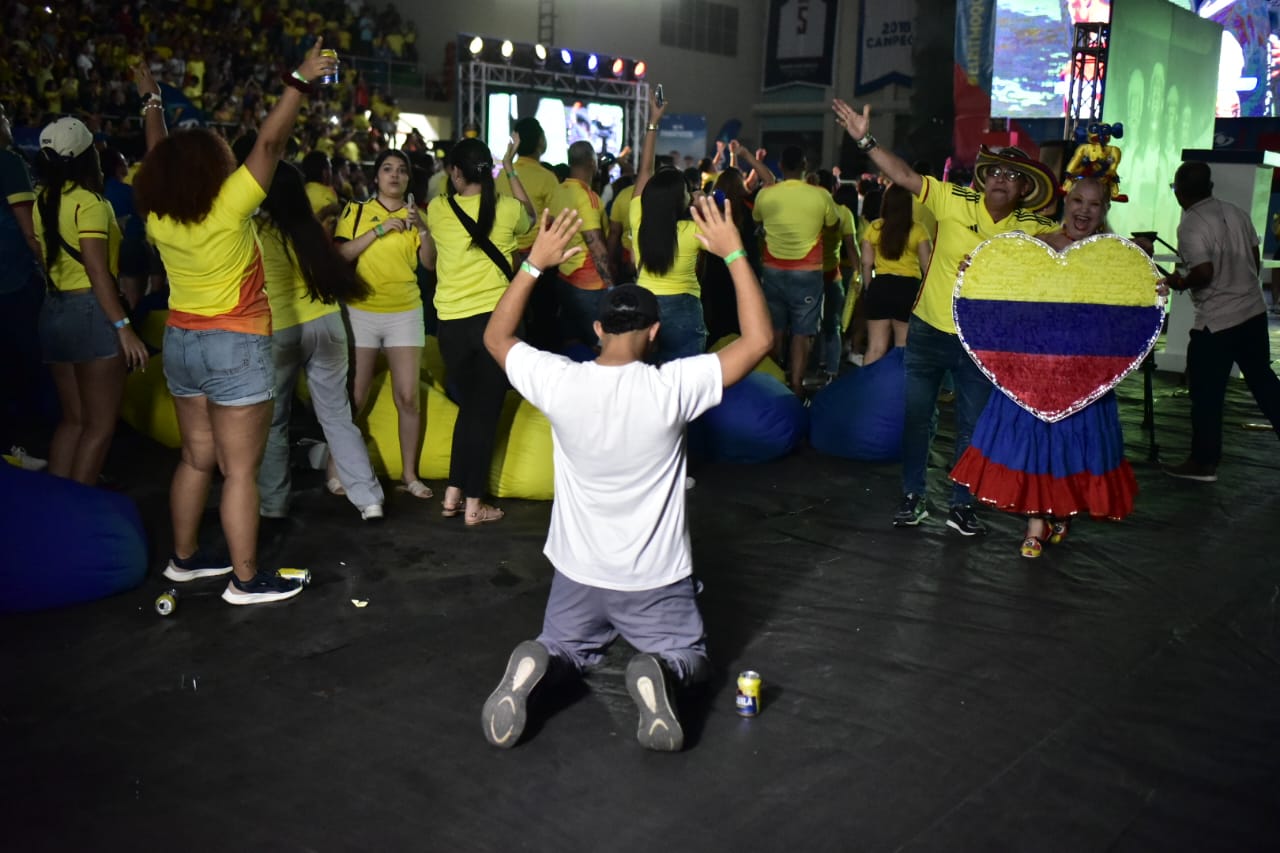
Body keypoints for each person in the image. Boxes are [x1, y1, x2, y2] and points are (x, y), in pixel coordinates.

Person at [479, 196, 773, 752]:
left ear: (598, 329)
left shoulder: (560, 381)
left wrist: (533, 264)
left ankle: (541, 658)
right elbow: (759, 341)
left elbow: (496, 338)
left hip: (578, 575)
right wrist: (734, 254)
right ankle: (659, 670)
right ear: (654, 333)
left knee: (566, 649)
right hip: (654, 581)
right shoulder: (671, 387)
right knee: (691, 659)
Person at [132, 43, 333, 605]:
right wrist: (298, 80)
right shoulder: (230, 206)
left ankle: (184, 560)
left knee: (196, 457)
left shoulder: (157, 215)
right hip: (235, 346)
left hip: (180, 343)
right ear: (210, 169)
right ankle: (246, 581)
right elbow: (270, 142)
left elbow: (156, 155)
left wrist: (152, 101)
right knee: (240, 471)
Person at [833, 98, 1058, 535]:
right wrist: (865, 138)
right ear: (983, 177)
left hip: (981, 342)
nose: (1000, 179)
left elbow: (1072, 249)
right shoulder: (955, 199)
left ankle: (961, 504)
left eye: (1012, 176)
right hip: (928, 330)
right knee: (918, 419)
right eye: (994, 171)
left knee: (972, 426)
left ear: (1025, 189)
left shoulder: (1031, 227)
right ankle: (913, 496)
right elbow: (902, 175)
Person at [950, 177, 1152, 557]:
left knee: (1071, 447)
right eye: (1078, 200)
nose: (1084, 210)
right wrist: (976, 272)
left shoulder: (1117, 256)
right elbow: (1002, 288)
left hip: (1082, 374)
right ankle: (1036, 522)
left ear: (1105, 210)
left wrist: (1148, 287)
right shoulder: (1037, 245)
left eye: (1094, 204)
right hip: (1033, 370)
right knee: (1036, 444)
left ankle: (1061, 511)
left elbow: (1126, 317)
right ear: (1066, 202)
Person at [255, 161, 384, 522]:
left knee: (275, 422)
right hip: (328, 325)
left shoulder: (257, 229)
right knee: (339, 417)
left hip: (281, 329)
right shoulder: (309, 228)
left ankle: (273, 504)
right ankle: (369, 499)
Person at [421, 136, 534, 525]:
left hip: (449, 326)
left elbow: (431, 260)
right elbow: (531, 217)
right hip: (493, 327)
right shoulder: (506, 209)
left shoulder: (437, 209)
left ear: (455, 172)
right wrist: (510, 166)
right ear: (490, 172)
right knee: (484, 414)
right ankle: (474, 504)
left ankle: (453, 493)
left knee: (469, 409)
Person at [33, 117, 149, 486]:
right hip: (91, 315)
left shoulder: (42, 200)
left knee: (74, 420)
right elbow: (99, 273)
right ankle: (79, 509)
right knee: (100, 426)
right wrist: (124, 328)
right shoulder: (90, 204)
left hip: (53, 311)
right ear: (87, 158)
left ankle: (57, 502)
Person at [1163, 161, 1280, 482]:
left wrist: (1180, 283)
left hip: (1217, 322)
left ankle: (1203, 462)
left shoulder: (1190, 224)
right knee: (1264, 383)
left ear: (1180, 192)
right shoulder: (1237, 211)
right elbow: (1254, 259)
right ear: (1210, 187)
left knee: (1206, 394)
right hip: (1253, 311)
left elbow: (1204, 273)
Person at [334, 148, 434, 499]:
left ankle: (410, 475)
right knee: (355, 397)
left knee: (407, 398)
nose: (395, 175)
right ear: (375, 177)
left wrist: (422, 229)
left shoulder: (416, 215)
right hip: (361, 312)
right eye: (388, 169)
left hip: (405, 312)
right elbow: (341, 255)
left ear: (408, 179)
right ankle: (337, 467)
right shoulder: (357, 211)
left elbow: (430, 265)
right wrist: (379, 230)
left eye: (401, 170)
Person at [752, 145, 838, 394]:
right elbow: (832, 225)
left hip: (772, 270)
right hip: (808, 272)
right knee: (802, 333)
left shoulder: (766, 195)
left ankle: (773, 383)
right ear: (804, 166)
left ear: (780, 166)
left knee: (775, 329)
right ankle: (797, 385)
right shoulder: (821, 195)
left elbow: (757, 221)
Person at [629, 89, 708, 362]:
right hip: (685, 309)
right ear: (680, 200)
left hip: (645, 305)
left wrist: (654, 121)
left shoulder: (638, 216)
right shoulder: (694, 229)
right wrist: (702, 204)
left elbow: (645, 171)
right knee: (687, 387)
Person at [0, 100, 46, 456]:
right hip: (13, 282)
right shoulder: (9, 161)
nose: (8, 121)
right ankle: (23, 449)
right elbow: (30, 231)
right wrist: (52, 271)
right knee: (28, 369)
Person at [860, 183, 933, 366]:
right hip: (908, 289)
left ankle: (868, 391)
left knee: (875, 348)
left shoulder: (874, 228)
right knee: (903, 349)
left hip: (880, 287)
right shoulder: (918, 230)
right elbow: (927, 266)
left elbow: (866, 263)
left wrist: (870, 290)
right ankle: (899, 393)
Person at [551, 140, 615, 345]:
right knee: (599, 346)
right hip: (590, 284)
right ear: (592, 163)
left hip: (564, 277)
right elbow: (595, 244)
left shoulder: (557, 191)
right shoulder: (588, 197)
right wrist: (611, 287)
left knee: (570, 342)